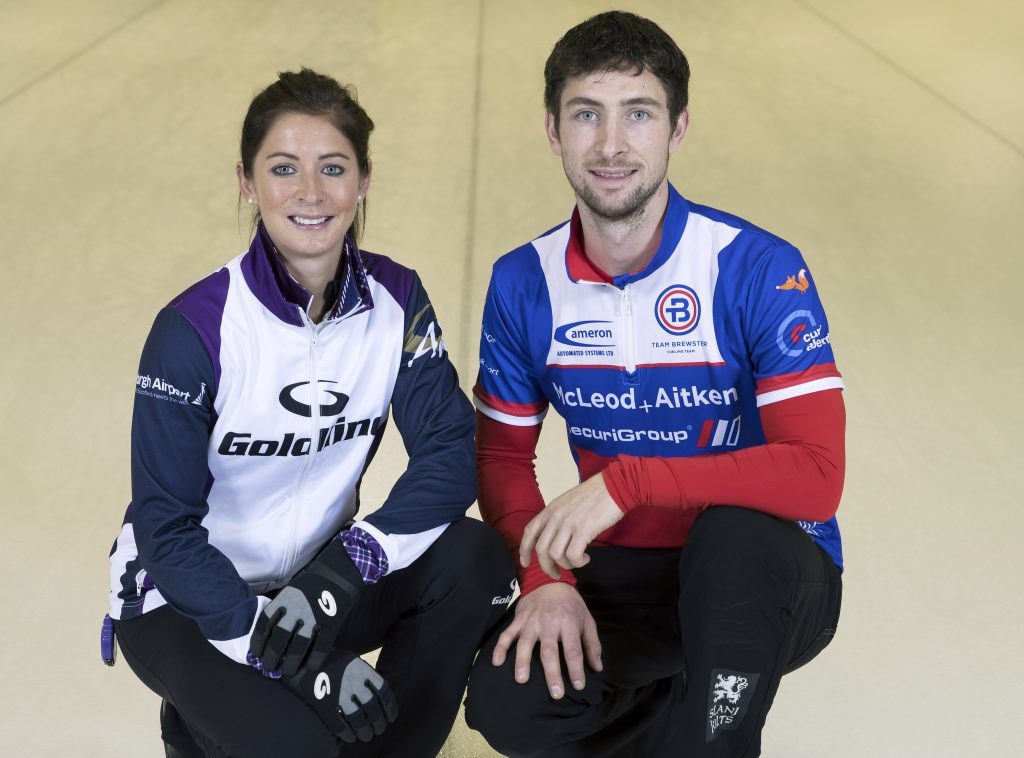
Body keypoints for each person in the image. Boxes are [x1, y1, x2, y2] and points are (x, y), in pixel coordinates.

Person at [464, 11, 844, 757]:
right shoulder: (522, 282)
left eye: (638, 114)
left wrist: (628, 483)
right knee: (509, 705)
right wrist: (545, 579)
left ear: (677, 129)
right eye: (586, 115)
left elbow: (816, 476)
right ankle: (678, 718)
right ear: (553, 131)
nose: (610, 145)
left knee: (732, 536)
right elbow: (502, 461)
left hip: (762, 567)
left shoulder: (756, 267)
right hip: (622, 571)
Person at [103, 68, 513, 758]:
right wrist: (305, 668)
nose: (310, 193)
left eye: (332, 168)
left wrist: (346, 568)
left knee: (473, 560)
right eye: (283, 168)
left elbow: (449, 452)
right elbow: (167, 532)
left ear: (363, 178)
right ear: (247, 180)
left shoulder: (397, 300)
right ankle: (208, 721)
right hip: (185, 603)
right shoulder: (195, 328)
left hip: (312, 586)